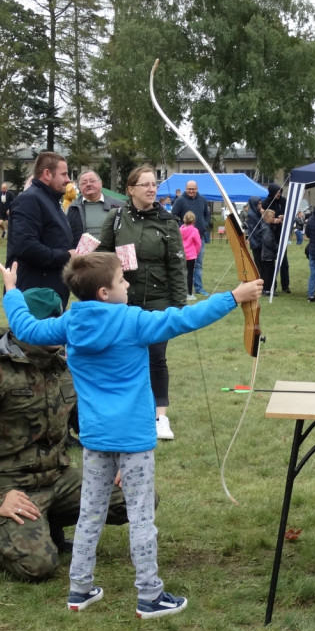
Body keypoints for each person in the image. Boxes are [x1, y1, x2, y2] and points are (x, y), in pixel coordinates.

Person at [0, 251, 263, 617]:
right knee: (141, 517)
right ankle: (150, 596)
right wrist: (234, 297)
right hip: (133, 440)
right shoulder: (133, 321)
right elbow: (185, 318)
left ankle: (79, 589)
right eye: (122, 280)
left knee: (90, 513)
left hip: (95, 438)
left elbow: (27, 328)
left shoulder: (70, 323)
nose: (127, 284)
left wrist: (12, 291)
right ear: (104, 293)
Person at [0, 286, 129, 582]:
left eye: (59, 319)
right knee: (37, 566)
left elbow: (88, 424)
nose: (59, 327)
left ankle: (46, 523)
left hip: (58, 478)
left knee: (134, 496)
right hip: (11, 485)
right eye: (49, 322)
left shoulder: (65, 368)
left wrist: (118, 459)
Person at [98, 165, 186, 441]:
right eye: (145, 184)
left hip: (159, 300)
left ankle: (160, 417)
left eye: (154, 184)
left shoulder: (168, 221)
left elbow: (177, 266)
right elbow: (102, 254)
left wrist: (178, 306)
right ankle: (128, 413)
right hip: (123, 300)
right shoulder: (116, 218)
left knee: (156, 356)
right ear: (131, 189)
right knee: (123, 355)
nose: (151, 189)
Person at [5, 151, 75, 307]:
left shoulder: (51, 201)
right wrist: (66, 256)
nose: (68, 180)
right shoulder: (29, 199)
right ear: (47, 174)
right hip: (36, 296)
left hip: (49, 294)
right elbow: (26, 247)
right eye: (64, 174)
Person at [172, 180, 211, 296]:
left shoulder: (202, 200)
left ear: (197, 189)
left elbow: (207, 214)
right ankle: (184, 288)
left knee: (198, 264)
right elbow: (173, 216)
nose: (191, 191)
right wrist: (183, 227)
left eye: (193, 189)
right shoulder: (180, 201)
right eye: (189, 189)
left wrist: (205, 224)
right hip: (185, 240)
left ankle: (199, 288)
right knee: (184, 266)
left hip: (199, 237)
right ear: (186, 189)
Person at [67, 169, 120, 244]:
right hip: (82, 251)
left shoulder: (118, 206)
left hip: (111, 251)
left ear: (101, 183)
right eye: (84, 183)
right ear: (79, 187)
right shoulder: (72, 209)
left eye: (92, 181)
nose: (88, 184)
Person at [264, 184, 290, 293]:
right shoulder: (266, 202)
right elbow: (265, 218)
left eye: (280, 192)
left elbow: (288, 212)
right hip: (270, 235)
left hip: (281, 234)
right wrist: (274, 220)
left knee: (284, 262)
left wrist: (283, 216)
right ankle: (271, 286)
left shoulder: (283, 201)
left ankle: (285, 285)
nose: (279, 194)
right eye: (277, 192)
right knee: (270, 264)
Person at [180, 210, 202, 301]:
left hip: (181, 255)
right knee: (190, 274)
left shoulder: (180, 230)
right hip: (191, 256)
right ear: (193, 220)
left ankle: (181, 292)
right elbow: (198, 243)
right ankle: (189, 293)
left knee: (182, 274)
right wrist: (196, 252)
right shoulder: (194, 230)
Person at [257, 208, 278, 293]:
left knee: (268, 271)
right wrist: (276, 247)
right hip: (267, 254)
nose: (274, 218)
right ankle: (267, 289)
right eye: (273, 217)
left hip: (267, 253)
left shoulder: (266, 227)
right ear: (268, 218)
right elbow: (268, 241)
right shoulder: (266, 229)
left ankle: (267, 288)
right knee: (269, 272)